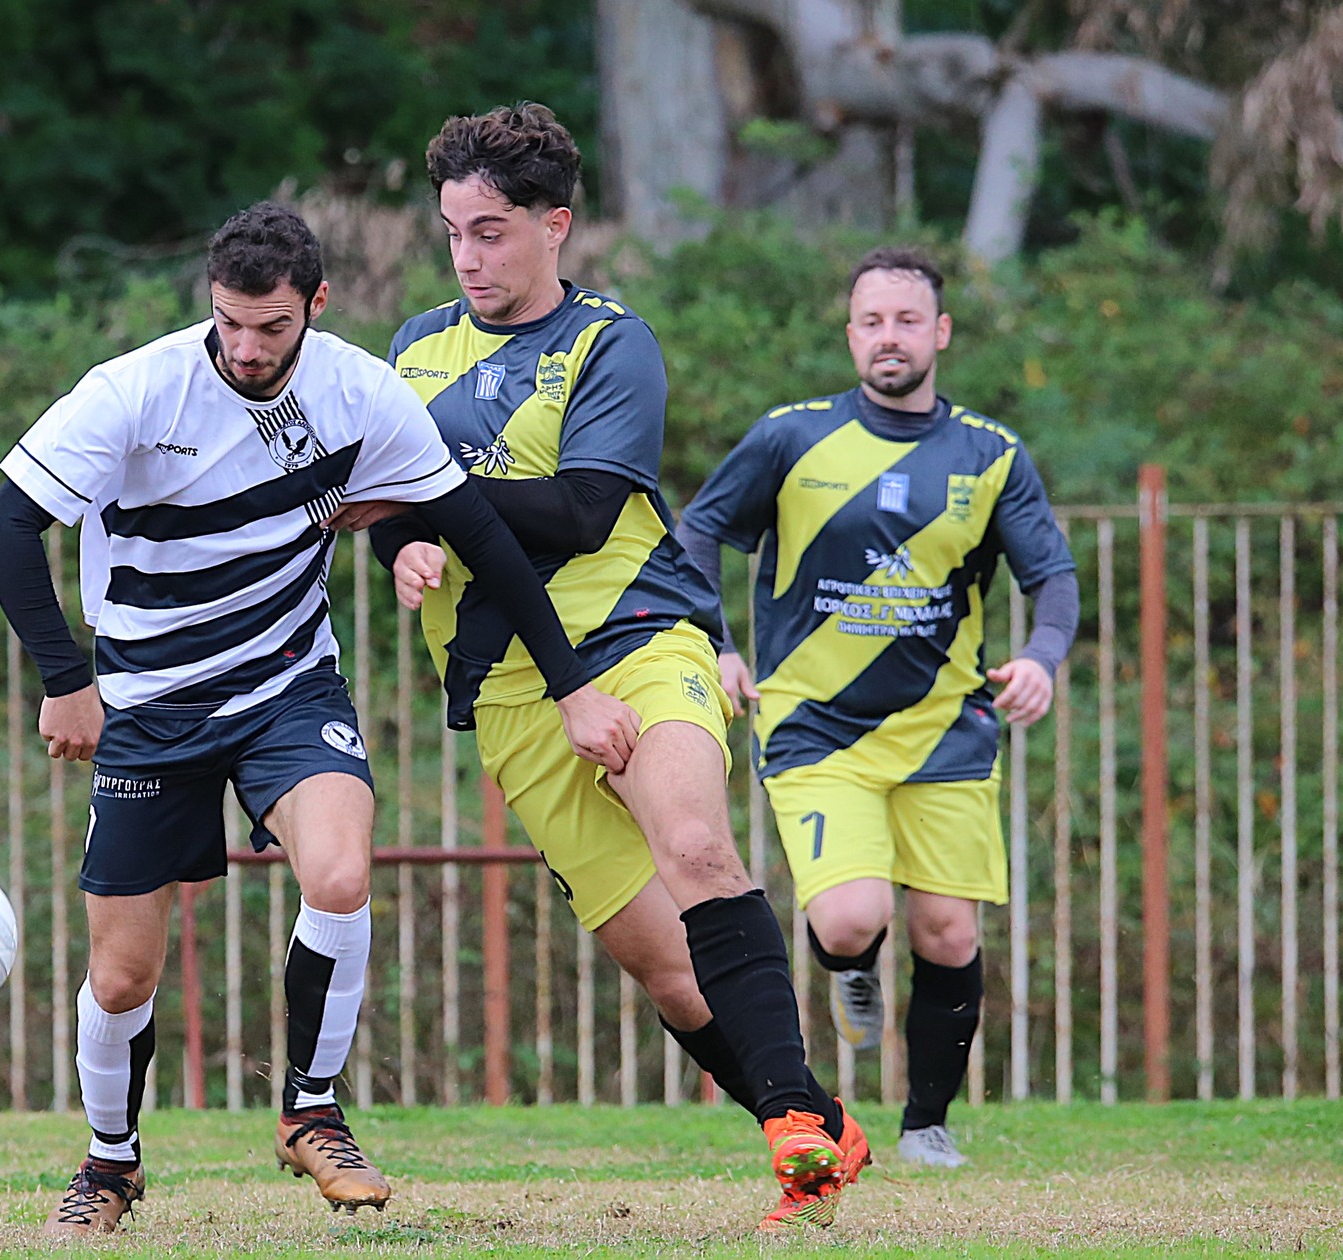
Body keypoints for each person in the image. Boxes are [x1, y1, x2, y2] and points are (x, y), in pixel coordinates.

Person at [0, 201, 640, 1235]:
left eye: (271, 327)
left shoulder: (360, 393)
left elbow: (480, 534)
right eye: (229, 322)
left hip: (288, 686)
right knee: (121, 973)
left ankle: (311, 1111)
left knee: (337, 870)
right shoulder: (133, 389)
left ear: (316, 305)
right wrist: (66, 680)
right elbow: (8, 528)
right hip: (150, 704)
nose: (246, 348)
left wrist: (573, 687)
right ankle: (110, 1162)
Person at [357, 103, 867, 1231]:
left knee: (696, 845)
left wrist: (428, 497)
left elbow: (583, 511)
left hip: (634, 634)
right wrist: (403, 546)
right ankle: (827, 1128)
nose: (467, 257)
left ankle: (791, 1126)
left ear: (555, 226)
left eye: (491, 232)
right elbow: (387, 505)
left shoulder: (609, 343)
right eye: (453, 232)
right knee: (666, 970)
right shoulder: (414, 349)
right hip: (504, 687)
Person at [678, 246, 1077, 1168]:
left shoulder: (990, 453)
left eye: (906, 320)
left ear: (940, 333)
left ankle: (927, 1125)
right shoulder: (790, 437)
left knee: (948, 930)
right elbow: (697, 533)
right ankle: (850, 969)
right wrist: (717, 644)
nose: (888, 336)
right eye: (871, 321)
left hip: (945, 728)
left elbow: (1052, 576)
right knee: (849, 918)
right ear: (850, 333)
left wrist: (1042, 659)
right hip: (815, 725)